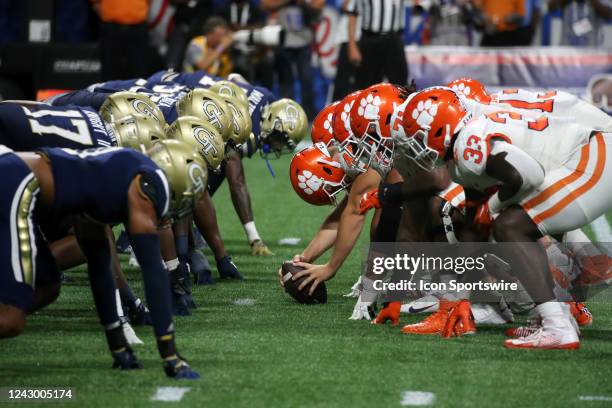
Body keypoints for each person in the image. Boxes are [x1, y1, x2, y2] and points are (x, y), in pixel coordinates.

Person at [399, 87, 612, 349]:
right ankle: (559, 315)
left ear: (438, 128)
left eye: (416, 136)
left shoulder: (468, 143)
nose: (415, 145)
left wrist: (492, 205)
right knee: (506, 224)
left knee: (511, 227)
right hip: (585, 152)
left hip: (594, 155)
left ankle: (558, 325)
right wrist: (458, 299)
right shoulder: (460, 154)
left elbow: (527, 175)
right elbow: (473, 231)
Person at [0, 140, 203, 378]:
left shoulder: (106, 184)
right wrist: (170, 355)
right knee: (11, 319)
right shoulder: (144, 184)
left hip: (17, 178)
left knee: (47, 285)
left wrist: (117, 344)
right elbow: (152, 271)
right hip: (18, 183)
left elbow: (99, 264)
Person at [261, 0, 325, 120]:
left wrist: (303, 3)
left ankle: (309, 115)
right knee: (285, 81)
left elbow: (319, 7)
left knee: (306, 78)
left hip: (304, 40)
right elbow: (265, 5)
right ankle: (287, 114)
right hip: (282, 40)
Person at [346, 0, 409, 89]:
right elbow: (352, 13)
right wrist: (352, 45)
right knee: (366, 86)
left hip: (394, 40)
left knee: (400, 86)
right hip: (370, 39)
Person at [91, 0, 152, 80]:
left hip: (138, 27)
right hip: (111, 27)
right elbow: (94, 2)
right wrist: (106, 15)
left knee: (139, 72)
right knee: (110, 70)